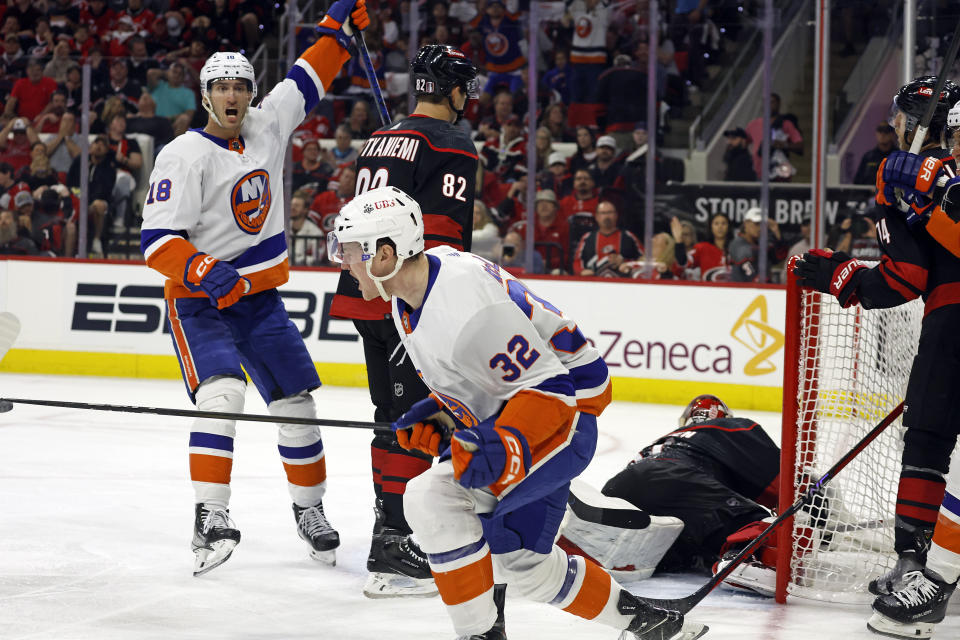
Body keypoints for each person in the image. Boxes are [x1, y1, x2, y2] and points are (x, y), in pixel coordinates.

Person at [327, 185, 707, 640]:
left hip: (562, 421)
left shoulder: (464, 307)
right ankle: (647, 624)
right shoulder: (410, 291)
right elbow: (484, 380)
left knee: (446, 508)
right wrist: (442, 416)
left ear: (385, 253)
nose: (343, 262)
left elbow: (554, 389)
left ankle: (486, 633)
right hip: (523, 411)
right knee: (510, 555)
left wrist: (507, 443)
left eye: (349, 250)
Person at [137, 0, 371, 576]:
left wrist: (338, 31)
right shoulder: (183, 155)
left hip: (259, 300)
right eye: (223, 87)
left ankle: (310, 511)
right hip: (200, 302)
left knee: (299, 405)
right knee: (223, 395)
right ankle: (209, 516)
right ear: (206, 94)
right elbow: (155, 241)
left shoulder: (267, 124)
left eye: (242, 85)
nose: (234, 95)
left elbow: (307, 78)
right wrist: (198, 269)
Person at [792, 75, 960, 640]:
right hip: (947, 316)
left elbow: (904, 278)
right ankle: (919, 569)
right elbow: (905, 276)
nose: (895, 132)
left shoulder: (916, 177)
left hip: (954, 321)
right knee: (929, 436)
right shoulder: (908, 180)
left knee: (930, 439)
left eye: (903, 121)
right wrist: (841, 273)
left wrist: (932, 191)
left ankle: (919, 569)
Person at [328, 43, 480, 599]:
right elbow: (440, 235)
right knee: (416, 416)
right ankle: (398, 542)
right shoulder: (452, 141)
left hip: (360, 289)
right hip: (399, 295)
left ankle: (391, 531)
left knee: (390, 413)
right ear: (454, 90)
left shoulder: (381, 137)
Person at [560, 395, 780, 584]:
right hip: (678, 483)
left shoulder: (664, 441)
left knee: (687, 553)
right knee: (762, 523)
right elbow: (780, 480)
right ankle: (748, 557)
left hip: (619, 488)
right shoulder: (729, 428)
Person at [573, 200, 641, 277]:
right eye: (603, 213)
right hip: (593, 283)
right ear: (596, 217)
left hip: (622, 283)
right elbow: (577, 262)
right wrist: (581, 271)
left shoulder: (628, 237)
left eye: (610, 212)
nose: (607, 216)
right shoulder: (587, 238)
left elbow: (643, 260)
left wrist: (626, 263)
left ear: (616, 215)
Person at [728, 207, 788, 282]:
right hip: (741, 290)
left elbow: (780, 257)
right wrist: (768, 246)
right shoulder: (736, 244)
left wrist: (776, 231)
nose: (760, 228)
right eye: (756, 224)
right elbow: (751, 254)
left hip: (761, 290)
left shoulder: (761, 244)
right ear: (746, 224)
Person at [673, 213, 732, 281]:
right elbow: (683, 263)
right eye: (716, 223)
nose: (720, 227)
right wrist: (679, 242)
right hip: (708, 290)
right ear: (710, 227)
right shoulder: (702, 248)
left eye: (723, 223)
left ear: (729, 227)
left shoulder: (736, 248)